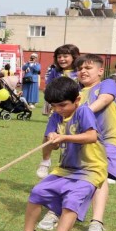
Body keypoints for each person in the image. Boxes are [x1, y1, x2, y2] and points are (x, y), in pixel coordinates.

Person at [5, 77, 107, 231]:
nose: (58, 109)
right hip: (66, 168)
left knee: (71, 201)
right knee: (37, 192)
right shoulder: (55, 117)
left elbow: (92, 136)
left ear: (77, 100)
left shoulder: (83, 111)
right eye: (54, 106)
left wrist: (64, 136)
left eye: (62, 105)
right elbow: (48, 143)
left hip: (91, 169)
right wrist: (49, 144)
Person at [37, 54, 116, 231]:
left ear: (100, 71)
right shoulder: (72, 92)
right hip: (77, 141)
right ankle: (55, 212)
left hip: (106, 140)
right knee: (69, 174)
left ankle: (96, 221)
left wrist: (81, 112)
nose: (83, 71)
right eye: (80, 68)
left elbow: (105, 99)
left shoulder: (106, 84)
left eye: (88, 68)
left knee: (100, 177)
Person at [37, 44, 80, 178]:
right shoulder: (55, 72)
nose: (62, 59)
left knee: (71, 140)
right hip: (57, 112)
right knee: (48, 137)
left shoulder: (79, 72)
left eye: (65, 56)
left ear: (74, 57)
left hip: (75, 112)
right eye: (59, 56)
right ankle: (45, 162)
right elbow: (48, 88)